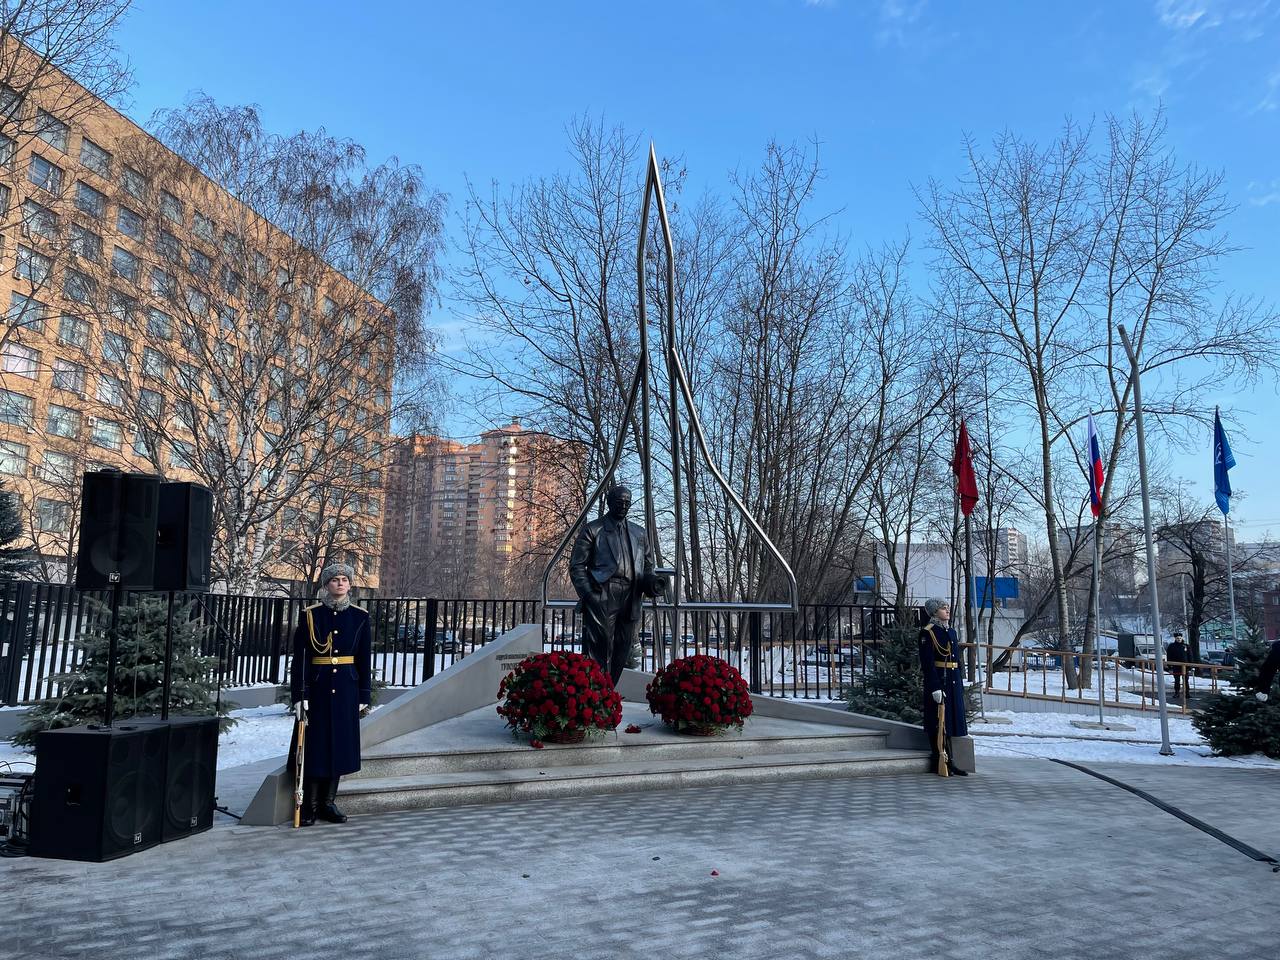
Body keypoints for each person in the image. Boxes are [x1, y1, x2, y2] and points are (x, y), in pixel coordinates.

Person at [290, 562, 372, 825]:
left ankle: (328, 802)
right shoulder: (311, 615)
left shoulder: (360, 616)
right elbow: (301, 657)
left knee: (339, 746)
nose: (340, 583)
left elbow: (364, 658)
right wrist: (300, 694)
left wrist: (363, 696)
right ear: (326, 584)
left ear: (350, 584)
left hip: (346, 690)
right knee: (316, 746)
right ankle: (311, 806)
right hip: (318, 688)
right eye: (334, 579)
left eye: (344, 579)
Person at [568, 485, 665, 685]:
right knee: (599, 647)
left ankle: (608, 693)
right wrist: (589, 594)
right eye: (619, 502)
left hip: (631, 596)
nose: (623, 506)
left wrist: (653, 582)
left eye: (627, 503)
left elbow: (648, 567)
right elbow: (577, 566)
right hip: (603, 593)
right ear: (610, 502)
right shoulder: (594, 529)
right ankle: (595, 694)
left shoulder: (639, 533)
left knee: (623, 646)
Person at [919, 598, 967, 776]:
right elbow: (928, 663)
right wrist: (934, 686)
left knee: (951, 722)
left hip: (952, 679)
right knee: (938, 722)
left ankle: (950, 761)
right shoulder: (928, 632)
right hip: (940, 680)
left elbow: (956, 660)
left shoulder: (951, 632)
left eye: (947, 607)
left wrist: (960, 681)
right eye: (942, 608)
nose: (947, 610)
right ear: (933, 612)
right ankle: (939, 759)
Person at [1166, 631, 1190, 697]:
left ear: (1182, 638)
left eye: (1180, 638)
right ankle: (1177, 692)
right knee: (1177, 680)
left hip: (1185, 666)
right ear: (1175, 639)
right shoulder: (1171, 646)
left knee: (1186, 680)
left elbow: (1190, 656)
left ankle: (1187, 693)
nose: (1179, 639)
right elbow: (1169, 656)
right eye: (1177, 638)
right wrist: (1169, 665)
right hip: (1176, 666)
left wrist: (1190, 666)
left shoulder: (1186, 646)